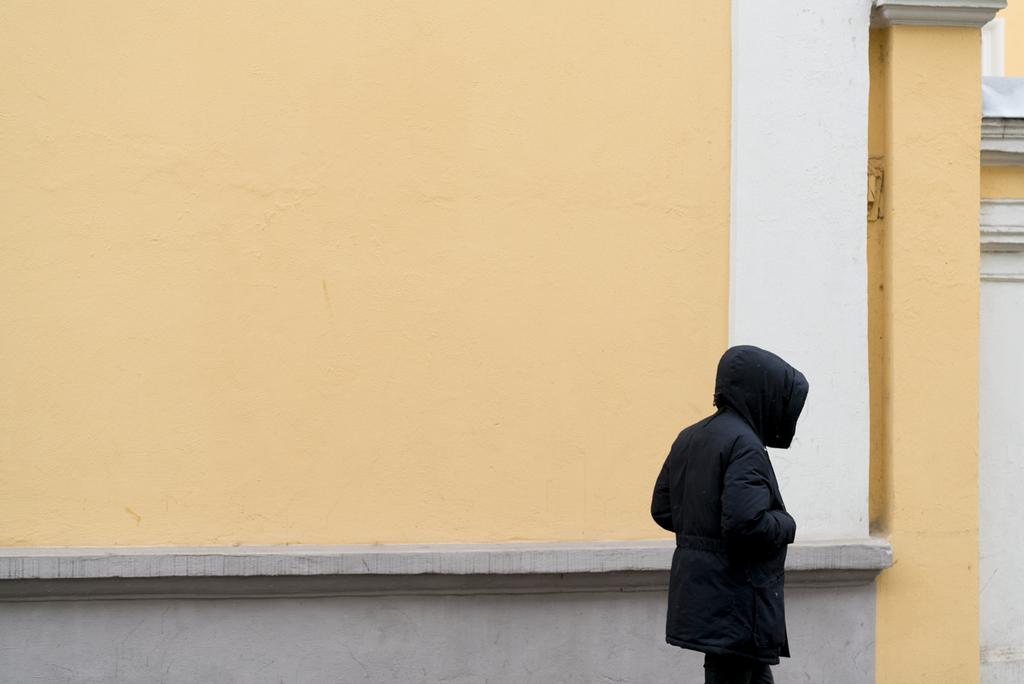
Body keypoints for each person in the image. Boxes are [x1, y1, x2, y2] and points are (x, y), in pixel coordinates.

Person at [650, 345, 809, 684]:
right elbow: (744, 523)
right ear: (760, 392)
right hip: (737, 602)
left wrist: (704, 530)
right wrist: (787, 524)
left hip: (710, 600)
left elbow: (663, 509)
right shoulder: (745, 444)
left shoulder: (690, 437)